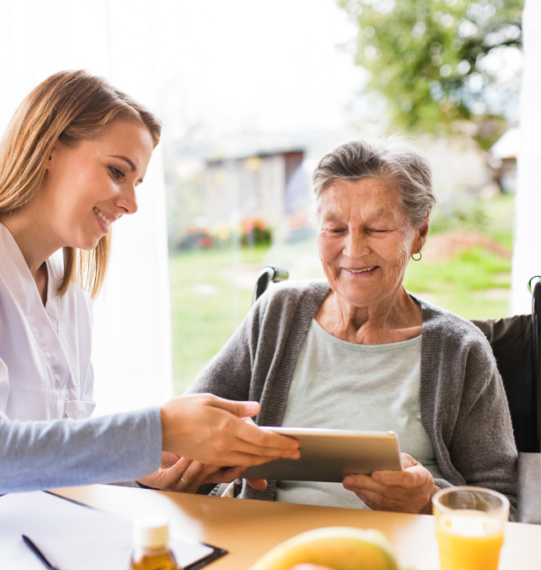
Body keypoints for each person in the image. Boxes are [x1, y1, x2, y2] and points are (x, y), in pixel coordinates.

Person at [0, 71, 299, 570]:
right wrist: (158, 430)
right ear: (48, 148)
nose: (130, 203)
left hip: (2, 543)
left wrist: (146, 468)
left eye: (137, 182)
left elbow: (49, 455)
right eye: (117, 172)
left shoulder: (66, 295)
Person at [187, 139, 517, 515]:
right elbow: (189, 428)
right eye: (335, 228)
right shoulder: (278, 313)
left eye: (376, 229)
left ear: (419, 232)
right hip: (271, 547)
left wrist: (429, 502)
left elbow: (507, 502)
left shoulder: (461, 350)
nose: (353, 250)